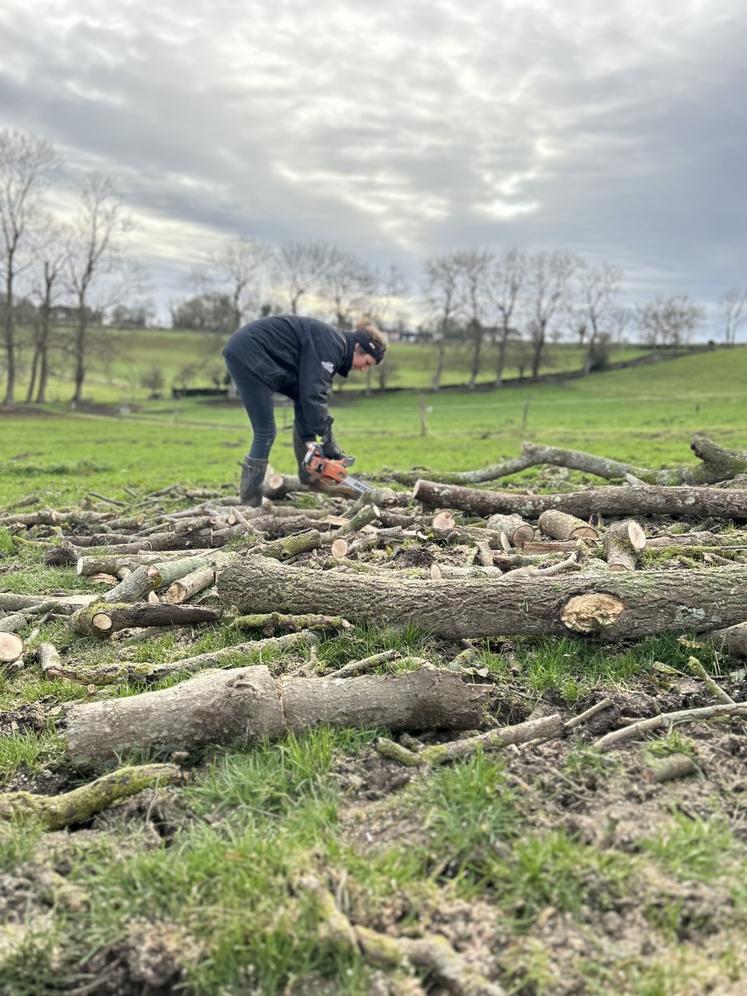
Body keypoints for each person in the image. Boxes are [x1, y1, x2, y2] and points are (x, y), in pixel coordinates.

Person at [223, 315, 387, 505]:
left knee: (299, 402)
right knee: (265, 431)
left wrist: (313, 444)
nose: (364, 369)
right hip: (250, 353)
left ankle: (308, 475)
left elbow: (304, 397)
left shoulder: (333, 345)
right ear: (360, 347)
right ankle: (249, 503)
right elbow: (313, 395)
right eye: (366, 362)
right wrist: (328, 441)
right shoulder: (332, 344)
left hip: (257, 355)